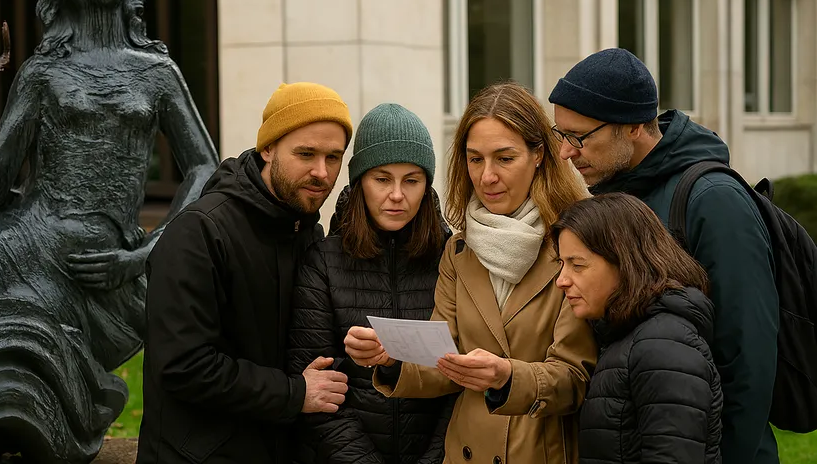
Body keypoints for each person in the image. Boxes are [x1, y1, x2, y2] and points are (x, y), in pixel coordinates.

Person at [0, 0, 219, 461]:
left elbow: (205, 168)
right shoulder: (41, 72)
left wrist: (148, 255)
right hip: (26, 236)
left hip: (99, 265)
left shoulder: (158, 73)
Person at [344, 81, 597, 463]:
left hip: (540, 449)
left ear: (539, 154)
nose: (487, 176)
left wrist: (506, 377)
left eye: (504, 158)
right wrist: (391, 357)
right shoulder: (459, 249)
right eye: (475, 159)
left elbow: (577, 379)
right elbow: (443, 362)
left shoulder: (575, 244)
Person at [549, 47, 779, 464]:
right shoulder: (618, 189)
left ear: (634, 127)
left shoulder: (714, 201)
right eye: (560, 135)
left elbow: (748, 361)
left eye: (579, 137)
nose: (566, 152)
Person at [137, 82, 354, 464]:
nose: (322, 172)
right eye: (306, 153)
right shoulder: (199, 232)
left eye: (333, 157)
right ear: (267, 148)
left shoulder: (307, 233)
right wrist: (294, 394)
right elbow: (184, 365)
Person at [287, 103, 455, 464]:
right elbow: (318, 389)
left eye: (411, 180)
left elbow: (460, 383)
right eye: (382, 179)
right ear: (360, 181)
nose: (397, 195)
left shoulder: (452, 259)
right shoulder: (323, 261)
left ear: (427, 185)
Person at [552, 192, 723, 463]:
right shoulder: (628, 334)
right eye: (562, 264)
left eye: (578, 265)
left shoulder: (663, 343)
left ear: (625, 262)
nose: (562, 280)